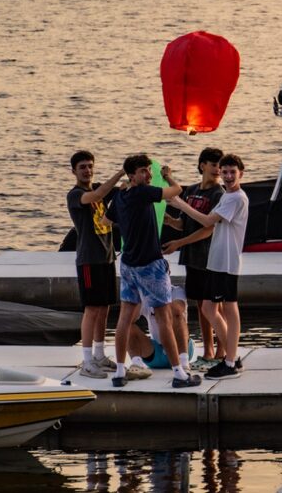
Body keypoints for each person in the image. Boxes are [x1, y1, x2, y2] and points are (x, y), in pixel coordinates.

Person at [104, 154, 201, 389]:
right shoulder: (143, 193)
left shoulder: (121, 195)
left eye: (149, 170)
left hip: (128, 264)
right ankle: (179, 374)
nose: (148, 175)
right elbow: (176, 190)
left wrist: (131, 223)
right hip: (150, 264)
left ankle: (119, 372)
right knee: (164, 317)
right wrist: (168, 177)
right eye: (143, 171)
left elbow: (107, 222)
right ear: (131, 175)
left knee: (125, 318)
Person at [170, 153, 249, 381]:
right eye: (225, 172)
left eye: (232, 172)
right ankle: (232, 358)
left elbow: (206, 221)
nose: (228, 175)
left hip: (226, 262)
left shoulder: (236, 198)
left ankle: (230, 361)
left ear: (241, 174)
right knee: (208, 309)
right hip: (216, 262)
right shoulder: (228, 196)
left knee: (227, 309)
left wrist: (180, 204)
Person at [162, 147, 224, 367]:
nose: (218, 169)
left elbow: (209, 229)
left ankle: (222, 352)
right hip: (193, 258)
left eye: (220, 165)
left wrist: (179, 244)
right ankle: (207, 350)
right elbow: (183, 223)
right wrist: (169, 221)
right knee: (200, 305)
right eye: (214, 164)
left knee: (215, 305)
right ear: (202, 166)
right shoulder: (192, 191)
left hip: (211, 257)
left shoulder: (219, 194)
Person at [67, 151, 125, 379]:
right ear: (74, 171)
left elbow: (117, 192)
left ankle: (100, 354)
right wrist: (121, 172)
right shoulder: (75, 195)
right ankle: (88, 360)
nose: (87, 171)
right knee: (91, 309)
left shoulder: (100, 189)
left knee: (104, 308)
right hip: (88, 260)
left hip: (107, 258)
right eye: (82, 167)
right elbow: (100, 194)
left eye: (90, 166)